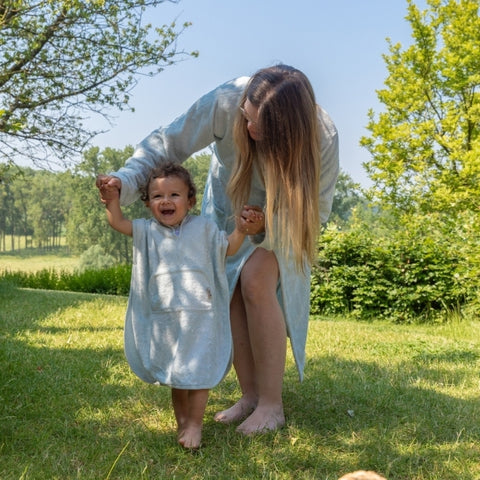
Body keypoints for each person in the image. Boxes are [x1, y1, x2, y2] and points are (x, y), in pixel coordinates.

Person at [96, 64, 339, 435]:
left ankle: (272, 406)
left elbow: (316, 209)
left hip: (283, 218)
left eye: (260, 126)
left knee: (256, 280)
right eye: (247, 117)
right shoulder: (227, 100)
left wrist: (264, 229)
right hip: (228, 207)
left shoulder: (321, 136)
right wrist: (126, 180)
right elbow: (168, 142)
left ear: (285, 131)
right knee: (228, 292)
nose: (249, 128)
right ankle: (250, 396)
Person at [98, 162, 264, 449]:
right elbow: (118, 223)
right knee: (178, 378)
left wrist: (241, 230)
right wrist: (112, 201)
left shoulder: (204, 228)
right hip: (166, 321)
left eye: (175, 195)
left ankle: (196, 425)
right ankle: (183, 423)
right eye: (158, 196)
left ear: (190, 201)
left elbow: (228, 248)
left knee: (198, 376)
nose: (166, 201)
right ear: (148, 202)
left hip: (201, 316)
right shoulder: (147, 231)